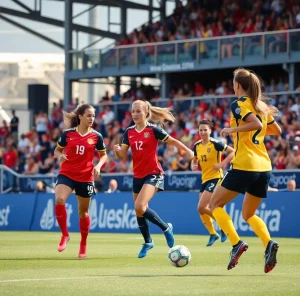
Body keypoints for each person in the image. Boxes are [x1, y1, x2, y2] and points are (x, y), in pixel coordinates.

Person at [210, 68, 282, 273]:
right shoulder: (260, 105)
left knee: (214, 204)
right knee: (249, 214)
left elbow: (255, 123)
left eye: (233, 83)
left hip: (245, 164)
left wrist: (232, 130)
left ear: (238, 85)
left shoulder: (239, 104)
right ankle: (268, 244)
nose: (232, 87)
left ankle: (236, 244)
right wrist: (256, 128)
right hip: (264, 167)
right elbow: (276, 130)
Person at [114, 100, 194, 258]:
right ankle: (148, 242)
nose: (135, 114)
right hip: (137, 176)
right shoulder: (128, 132)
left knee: (140, 205)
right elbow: (122, 156)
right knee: (139, 211)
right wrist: (117, 151)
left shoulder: (153, 130)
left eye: (138, 111)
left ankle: (166, 228)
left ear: (146, 113)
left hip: (154, 174)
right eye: (133, 111)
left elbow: (173, 141)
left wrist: (188, 151)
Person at [54, 104, 107, 259]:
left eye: (93, 115)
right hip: (67, 174)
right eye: (89, 115)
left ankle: (83, 244)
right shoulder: (68, 134)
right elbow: (57, 149)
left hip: (85, 177)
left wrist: (98, 165)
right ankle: (65, 234)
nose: (92, 118)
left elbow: (104, 155)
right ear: (80, 117)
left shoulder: (97, 136)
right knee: (59, 199)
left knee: (83, 212)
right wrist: (60, 155)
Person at [191, 120, 234, 246]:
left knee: (201, 206)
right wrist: (194, 164)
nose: (203, 132)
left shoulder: (216, 143)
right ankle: (213, 233)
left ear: (210, 131)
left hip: (216, 178)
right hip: (205, 179)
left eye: (205, 130)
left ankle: (225, 226)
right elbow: (194, 159)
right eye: (201, 130)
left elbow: (232, 151)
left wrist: (222, 163)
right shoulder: (197, 145)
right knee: (202, 210)